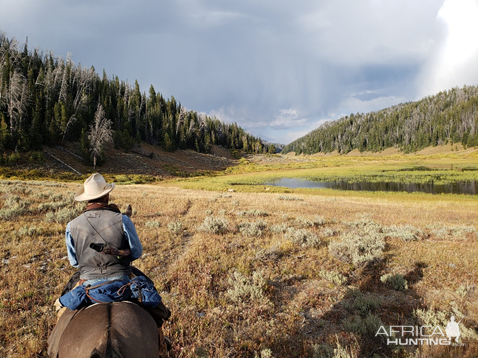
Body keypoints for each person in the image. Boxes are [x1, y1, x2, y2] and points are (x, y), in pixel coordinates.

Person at [56, 173, 171, 356]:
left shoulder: (72, 225)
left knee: (61, 310)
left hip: (87, 284)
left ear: (86, 199)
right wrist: (121, 254)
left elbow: (74, 262)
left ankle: (54, 347)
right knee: (155, 306)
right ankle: (162, 343)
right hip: (122, 279)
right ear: (106, 195)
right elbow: (137, 252)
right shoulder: (122, 220)